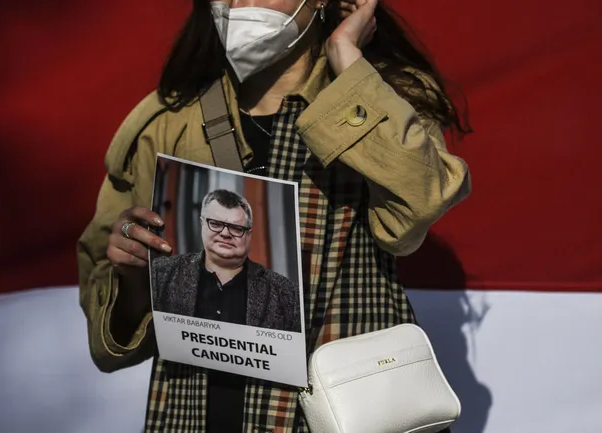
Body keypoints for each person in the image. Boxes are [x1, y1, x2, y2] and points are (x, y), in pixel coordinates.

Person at [77, 0, 472, 431]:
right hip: (200, 413)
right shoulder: (167, 123)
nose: (239, 3)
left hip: (339, 413)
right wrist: (133, 274)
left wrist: (347, 59)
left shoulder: (383, 94)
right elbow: (109, 337)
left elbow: (419, 205)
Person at [150, 189, 301, 333]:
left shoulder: (287, 293)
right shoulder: (160, 273)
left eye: (236, 228)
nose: (225, 233)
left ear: (248, 235)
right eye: (216, 224)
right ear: (202, 224)